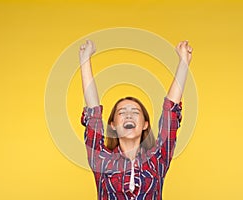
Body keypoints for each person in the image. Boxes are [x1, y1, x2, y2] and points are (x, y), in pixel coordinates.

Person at [79, 39, 193, 199]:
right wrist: (85, 60)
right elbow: (93, 113)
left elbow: (170, 112)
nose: (128, 114)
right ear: (112, 125)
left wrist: (184, 62)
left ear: (145, 124)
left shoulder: (157, 158)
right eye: (121, 112)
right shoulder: (101, 160)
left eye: (135, 112)